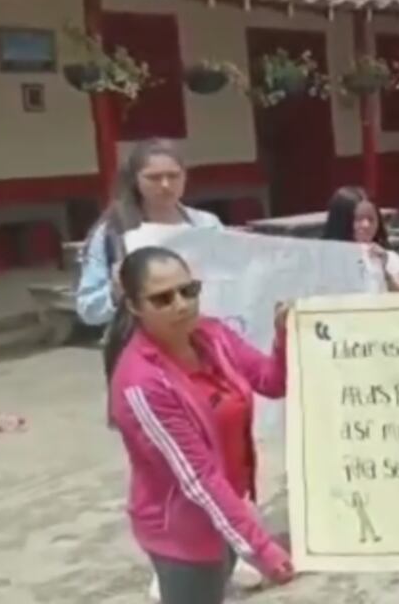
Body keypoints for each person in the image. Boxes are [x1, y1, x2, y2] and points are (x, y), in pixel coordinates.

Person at [109, 246, 294, 604]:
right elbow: (198, 478)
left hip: (226, 512)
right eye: (162, 299)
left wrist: (283, 336)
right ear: (134, 306)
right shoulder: (142, 383)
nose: (181, 304)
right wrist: (262, 550)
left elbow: (271, 381)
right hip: (183, 534)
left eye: (188, 290)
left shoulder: (213, 336)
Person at [76, 139, 222, 386]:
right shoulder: (113, 232)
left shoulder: (208, 225)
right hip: (142, 359)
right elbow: (87, 310)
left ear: (185, 177)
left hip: (205, 348)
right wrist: (114, 292)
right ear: (135, 180)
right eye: (153, 178)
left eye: (173, 176)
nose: (165, 185)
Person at [321, 186, 399, 293]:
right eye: (358, 219)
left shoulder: (390, 258)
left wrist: (384, 270)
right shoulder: (324, 260)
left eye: (371, 219)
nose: (366, 225)